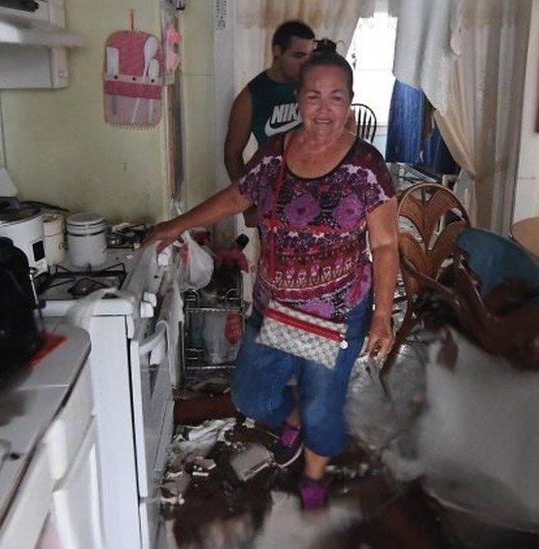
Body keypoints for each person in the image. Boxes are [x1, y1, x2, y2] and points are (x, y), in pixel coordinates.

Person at [146, 41, 398, 511]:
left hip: (336, 313)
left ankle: (314, 479)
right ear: (298, 99)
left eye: (337, 97)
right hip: (276, 307)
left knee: (324, 404)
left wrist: (382, 315)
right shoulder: (274, 153)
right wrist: (178, 224)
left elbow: (384, 244)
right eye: (314, 96)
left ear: (349, 100)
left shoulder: (366, 166)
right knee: (252, 397)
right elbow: (238, 196)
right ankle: (295, 417)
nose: (324, 109)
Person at [226, 21, 316, 227]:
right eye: (298, 56)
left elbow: (346, 122)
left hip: (318, 195)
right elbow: (232, 153)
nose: (305, 64)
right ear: (277, 52)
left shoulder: (314, 86)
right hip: (274, 200)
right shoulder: (251, 96)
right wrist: (247, 206)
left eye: (309, 57)